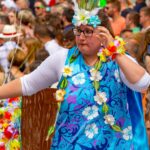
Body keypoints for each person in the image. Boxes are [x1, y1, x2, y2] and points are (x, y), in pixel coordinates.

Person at [0, 0, 150, 149]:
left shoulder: (119, 59)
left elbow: (142, 82)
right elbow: (28, 84)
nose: (81, 37)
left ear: (103, 32)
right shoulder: (62, 58)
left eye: (88, 31)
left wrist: (114, 51)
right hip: (69, 145)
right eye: (78, 30)